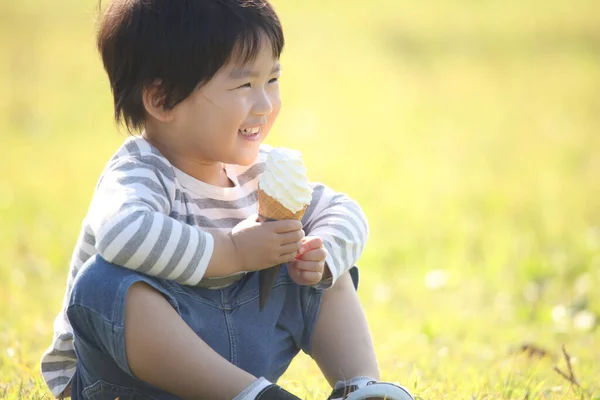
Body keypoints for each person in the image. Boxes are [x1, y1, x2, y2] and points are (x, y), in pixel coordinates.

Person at [40, 1, 414, 399]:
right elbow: (122, 233)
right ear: (162, 99)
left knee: (324, 259)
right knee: (102, 282)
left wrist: (317, 256)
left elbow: (345, 211)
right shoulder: (140, 172)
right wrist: (234, 251)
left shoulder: (263, 171)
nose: (266, 105)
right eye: (244, 86)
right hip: (127, 378)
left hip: (232, 357)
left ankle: (361, 387)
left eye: (272, 80)